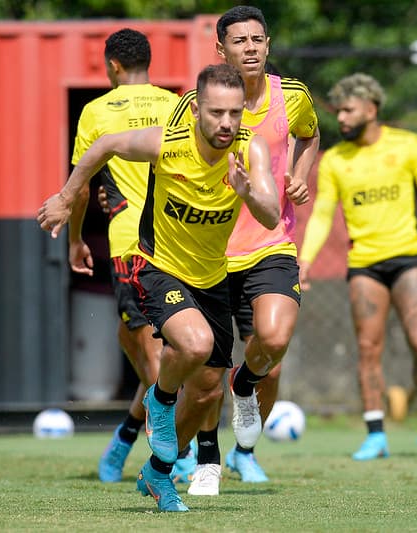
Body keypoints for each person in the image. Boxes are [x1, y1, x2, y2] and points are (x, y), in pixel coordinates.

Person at [38, 63, 280, 512]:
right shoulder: (168, 142)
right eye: (216, 113)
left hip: (213, 281)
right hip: (159, 268)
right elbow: (104, 145)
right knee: (194, 343)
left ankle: (158, 473)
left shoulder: (251, 151)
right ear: (196, 113)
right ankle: (159, 398)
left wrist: (248, 193)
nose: (226, 124)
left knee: (208, 391)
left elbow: (269, 216)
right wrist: (68, 196)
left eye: (234, 114)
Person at [164, 5, 319, 493]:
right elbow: (166, 162)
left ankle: (244, 439)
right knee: (204, 380)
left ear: (268, 45)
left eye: (257, 39)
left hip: (270, 244)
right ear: (221, 50)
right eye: (239, 41)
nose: (250, 48)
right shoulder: (193, 103)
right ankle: (187, 456)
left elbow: (311, 134)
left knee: (270, 347)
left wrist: (298, 174)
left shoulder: (291, 95)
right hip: (205, 254)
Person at [299, 73, 417, 461]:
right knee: (368, 348)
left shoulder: (408, 145)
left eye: (349, 110)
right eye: (338, 112)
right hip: (364, 265)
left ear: (372, 108)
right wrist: (304, 260)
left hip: (409, 259)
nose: (342, 119)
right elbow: (321, 214)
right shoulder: (334, 160)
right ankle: (375, 435)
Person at [67, 28, 182, 484]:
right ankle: (126, 435)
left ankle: (172, 459)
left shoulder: (97, 111)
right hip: (178, 241)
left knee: (156, 357)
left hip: (132, 244)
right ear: (147, 62)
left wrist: (76, 239)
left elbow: (80, 188)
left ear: (112, 65)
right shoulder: (176, 104)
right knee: (132, 341)